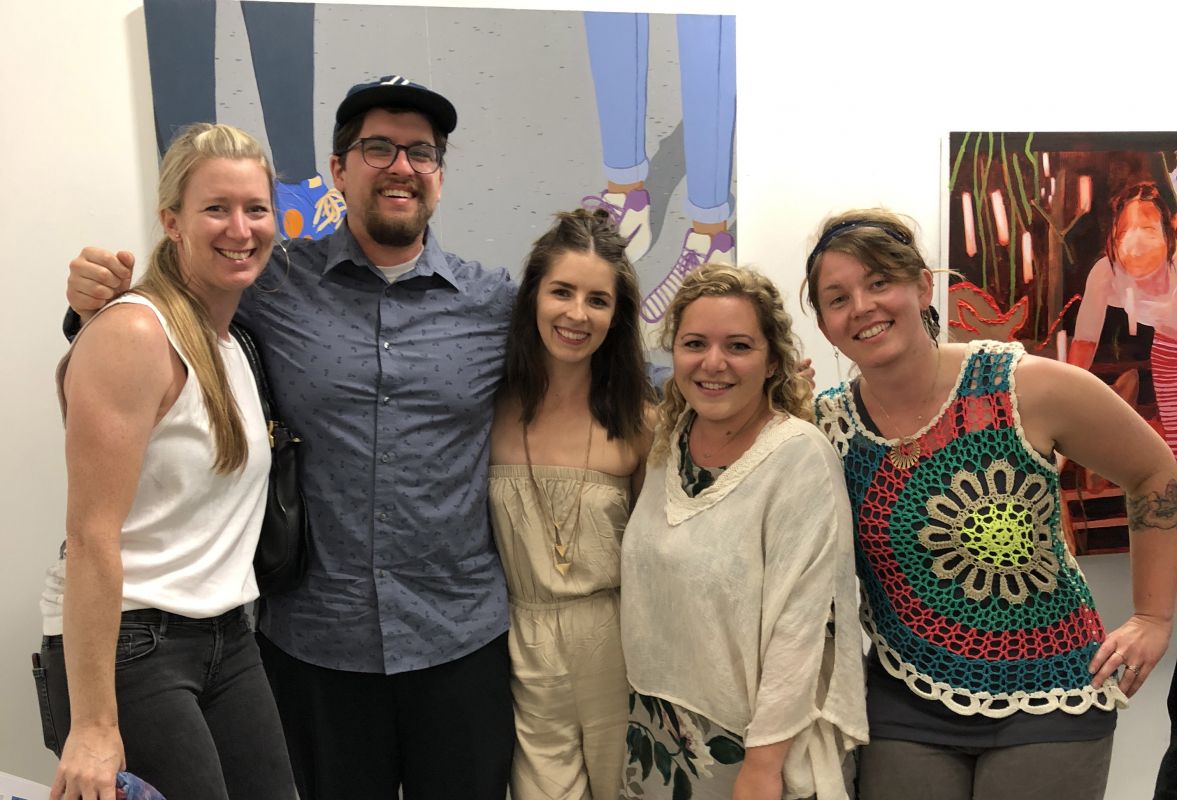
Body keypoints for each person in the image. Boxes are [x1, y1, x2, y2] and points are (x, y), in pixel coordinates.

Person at [64, 77, 516, 799]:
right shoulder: (268, 282)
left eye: (421, 153)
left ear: (438, 173)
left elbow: (588, 371)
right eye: (377, 148)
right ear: (338, 171)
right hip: (311, 646)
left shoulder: (496, 303)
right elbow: (167, 314)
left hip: (456, 642)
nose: (401, 166)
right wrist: (92, 307)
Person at [805, 209, 1177, 800]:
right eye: (837, 297)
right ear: (824, 325)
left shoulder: (1021, 387)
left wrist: (1153, 618)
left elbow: (1154, 470)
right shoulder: (826, 427)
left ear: (923, 286)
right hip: (905, 696)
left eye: (879, 282)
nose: (863, 307)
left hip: (1052, 694)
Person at [37, 123, 296, 799]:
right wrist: (92, 724)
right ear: (171, 221)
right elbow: (91, 535)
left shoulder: (235, 343)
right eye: (216, 208)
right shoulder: (133, 332)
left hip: (228, 638)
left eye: (255, 209)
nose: (239, 228)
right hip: (132, 642)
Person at [620, 263, 868, 799]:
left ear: (772, 360)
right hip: (658, 731)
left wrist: (762, 766)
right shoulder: (669, 441)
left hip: (756, 746)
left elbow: (801, 629)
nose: (713, 364)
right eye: (694, 344)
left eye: (737, 345)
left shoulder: (799, 456)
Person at [489, 208, 655, 798]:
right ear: (533, 295)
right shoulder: (489, 410)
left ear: (618, 315)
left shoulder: (641, 423)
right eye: (562, 291)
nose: (576, 314)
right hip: (519, 641)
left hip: (617, 641)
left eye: (598, 300)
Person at [1069, 181, 1177, 456]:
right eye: (1126, 230)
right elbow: (1084, 342)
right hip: (1165, 352)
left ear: (1169, 234)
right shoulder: (1106, 272)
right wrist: (1068, 397)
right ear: (1113, 237)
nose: (1136, 242)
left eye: (1149, 229)